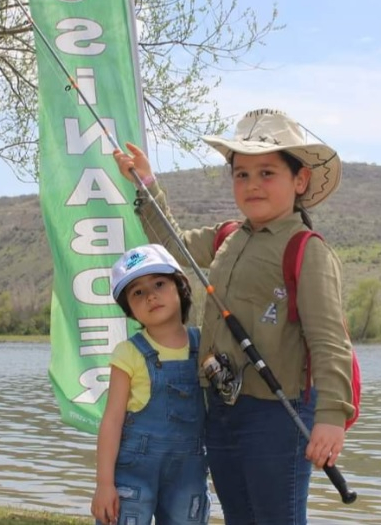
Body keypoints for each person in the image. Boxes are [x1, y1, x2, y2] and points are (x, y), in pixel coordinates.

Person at [113, 108, 355, 525]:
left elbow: (330, 341)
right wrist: (147, 184)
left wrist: (332, 419)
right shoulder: (227, 236)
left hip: (278, 416)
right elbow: (171, 245)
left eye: (266, 173)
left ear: (299, 181)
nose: (252, 184)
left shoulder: (307, 249)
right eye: (241, 174)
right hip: (221, 411)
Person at [91, 243, 210, 525]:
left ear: (181, 287)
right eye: (138, 292)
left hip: (189, 473)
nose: (151, 296)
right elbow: (111, 422)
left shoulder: (206, 344)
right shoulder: (129, 353)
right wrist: (104, 484)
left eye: (159, 283)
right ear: (129, 310)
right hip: (133, 472)